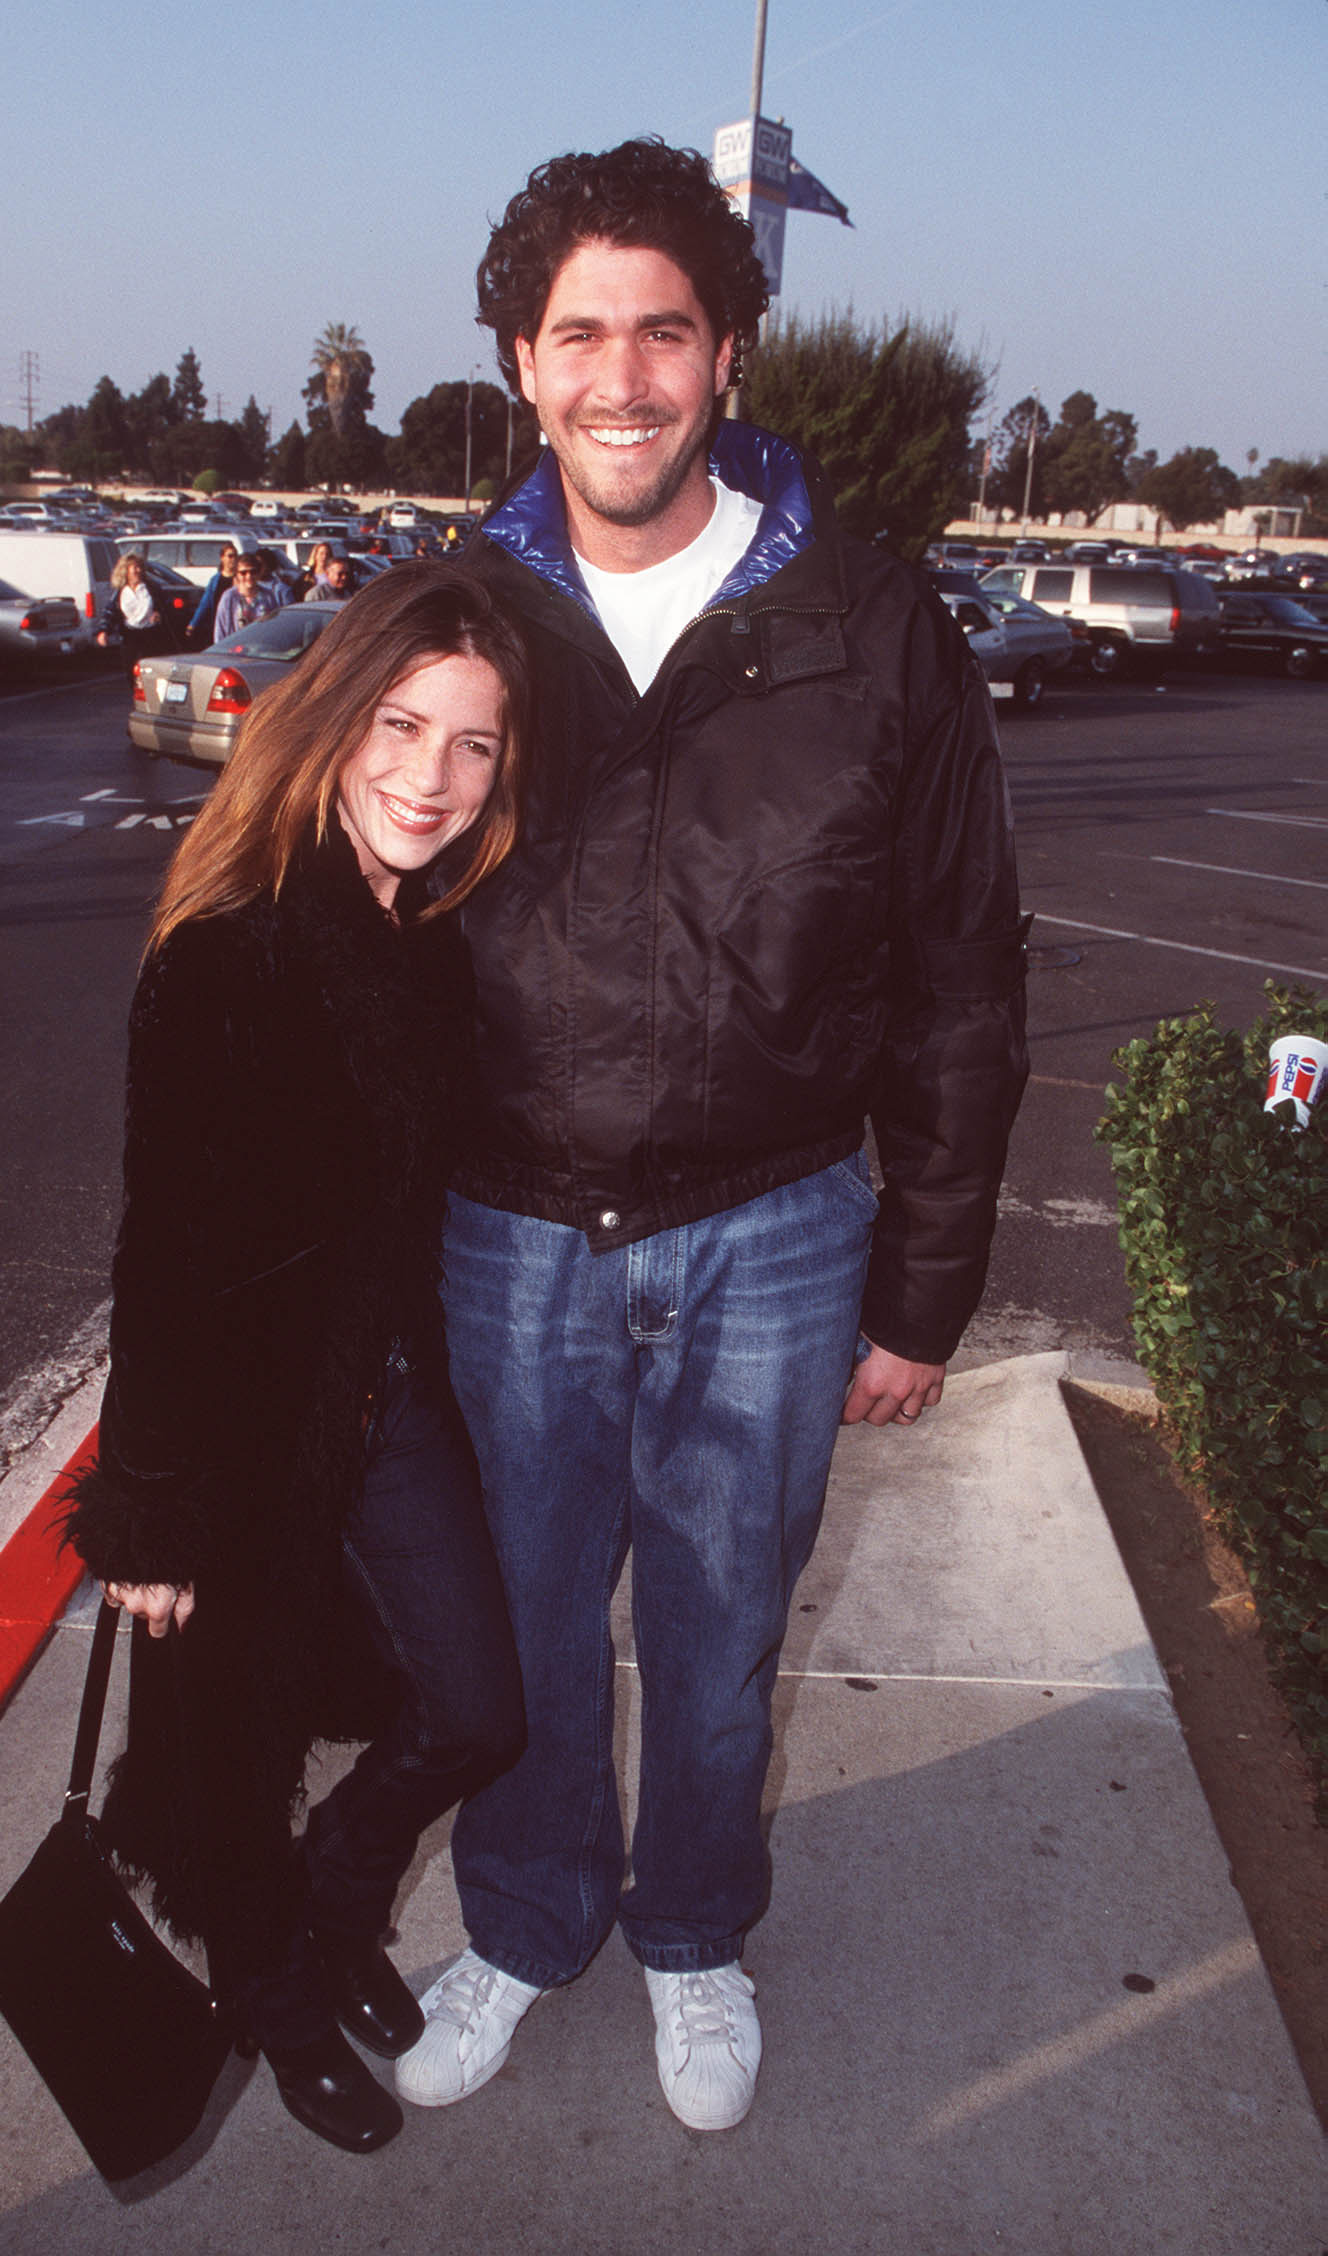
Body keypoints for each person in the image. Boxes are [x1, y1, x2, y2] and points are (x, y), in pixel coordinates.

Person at [394, 138, 1030, 2133]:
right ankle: (516, 1918)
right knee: (505, 1628)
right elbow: (329, 954)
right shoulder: (451, 616)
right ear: (521, 359)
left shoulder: (870, 621)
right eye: (577, 332)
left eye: (660, 330)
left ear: (724, 355)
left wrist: (919, 1284)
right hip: (503, 1233)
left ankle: (689, 1934)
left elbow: (957, 968)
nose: (620, 376)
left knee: (719, 1631)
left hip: (773, 1231)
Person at [63, 562, 530, 2156]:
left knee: (472, 1704)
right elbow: (166, 1252)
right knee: (232, 1740)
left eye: (475, 745)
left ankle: (330, 1909)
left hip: (384, 1405)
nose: (433, 778)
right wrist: (149, 1517)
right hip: (244, 1429)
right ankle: (270, 1982)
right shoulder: (235, 949)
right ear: (335, 723)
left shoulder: (425, 940)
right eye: (404, 727)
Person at [97, 553, 178, 659]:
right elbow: (110, 611)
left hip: (151, 635)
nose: (138, 570)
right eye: (134, 567)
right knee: (130, 671)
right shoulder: (120, 591)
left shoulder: (151, 588)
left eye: (140, 567)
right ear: (126, 570)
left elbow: (167, 605)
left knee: (149, 670)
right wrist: (104, 631)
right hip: (129, 636)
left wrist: (159, 614)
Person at [212, 549, 284, 638]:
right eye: (243, 573)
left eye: (253, 572)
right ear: (236, 574)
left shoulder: (269, 596)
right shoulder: (229, 598)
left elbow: (275, 628)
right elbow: (220, 631)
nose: (248, 576)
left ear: (259, 573)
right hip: (235, 649)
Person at [187, 541, 239, 647]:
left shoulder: (239, 579)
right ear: (222, 558)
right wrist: (193, 623)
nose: (233, 559)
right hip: (218, 623)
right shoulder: (215, 580)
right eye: (230, 556)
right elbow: (204, 603)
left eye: (235, 556)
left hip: (236, 623)